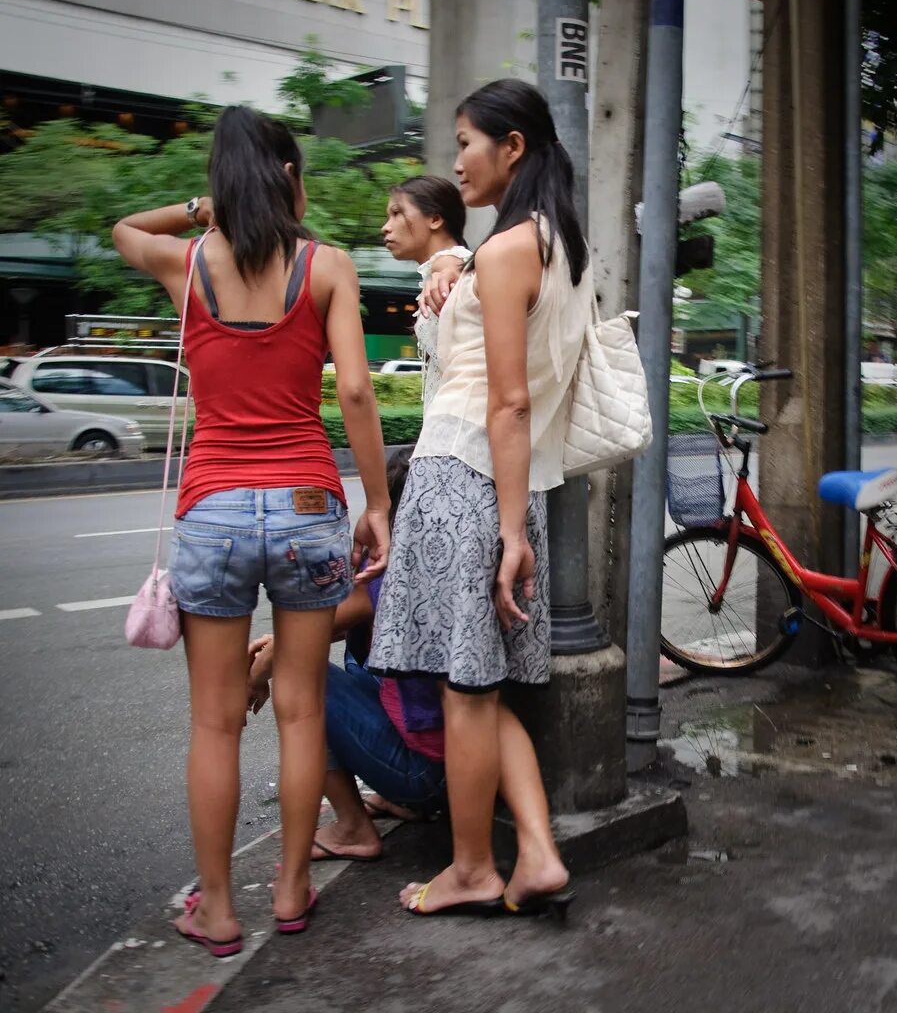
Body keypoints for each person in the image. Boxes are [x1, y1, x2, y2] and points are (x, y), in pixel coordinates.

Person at [112, 105, 391, 956]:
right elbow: (353, 393)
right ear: (289, 175)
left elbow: (121, 229)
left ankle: (221, 911)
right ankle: (294, 886)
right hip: (308, 504)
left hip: (215, 509)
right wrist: (376, 503)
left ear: (220, 180)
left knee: (215, 722)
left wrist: (203, 210)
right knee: (301, 713)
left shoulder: (186, 262)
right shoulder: (327, 266)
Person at [368, 79, 591, 917]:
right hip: (508, 483)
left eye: (465, 141)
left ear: (513, 147)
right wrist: (454, 270)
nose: (455, 159)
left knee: (464, 693)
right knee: (482, 686)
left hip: (466, 478)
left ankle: (471, 868)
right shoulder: (557, 242)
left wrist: (506, 535)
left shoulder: (503, 252)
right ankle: (534, 854)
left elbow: (507, 400)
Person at [245, 448, 447, 865]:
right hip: (453, 769)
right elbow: (327, 627)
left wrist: (256, 675)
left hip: (426, 773)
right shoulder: (442, 563)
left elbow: (301, 643)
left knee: (297, 676)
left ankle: (353, 826)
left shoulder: (388, 580)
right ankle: (398, 800)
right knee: (329, 655)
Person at [381, 175, 473, 404]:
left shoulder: (452, 268)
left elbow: (452, 262)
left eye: (396, 214)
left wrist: (447, 269)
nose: (385, 228)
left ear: (434, 218)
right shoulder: (438, 273)